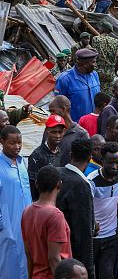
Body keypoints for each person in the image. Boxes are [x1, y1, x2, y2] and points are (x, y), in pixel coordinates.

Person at [21, 165, 71, 279]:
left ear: (36, 184)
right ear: (59, 184)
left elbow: (28, 254)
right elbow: (54, 258)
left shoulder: (27, 212)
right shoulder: (55, 215)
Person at [56, 139, 95, 277]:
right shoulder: (81, 185)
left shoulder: (56, 173)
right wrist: (89, 271)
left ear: (71, 154)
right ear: (90, 157)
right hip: (72, 257)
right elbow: (84, 232)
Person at [87, 141, 118, 278]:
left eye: (117, 162)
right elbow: (87, 206)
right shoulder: (92, 181)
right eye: (110, 162)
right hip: (93, 238)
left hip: (111, 236)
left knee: (107, 274)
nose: (114, 166)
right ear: (102, 160)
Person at [1, 125, 32, 278]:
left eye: (19, 142)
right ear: (2, 142)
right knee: (8, 263)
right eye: (12, 143)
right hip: (8, 224)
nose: (17, 147)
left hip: (26, 223)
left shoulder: (22, 163)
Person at [55, 49, 101, 123]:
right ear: (85, 64)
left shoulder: (94, 75)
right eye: (94, 62)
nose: (95, 65)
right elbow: (58, 107)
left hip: (95, 124)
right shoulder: (65, 79)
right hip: (76, 128)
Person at [28, 115, 66, 200]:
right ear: (47, 132)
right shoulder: (37, 155)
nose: (57, 135)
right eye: (54, 132)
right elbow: (32, 185)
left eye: (60, 132)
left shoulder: (59, 152)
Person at [46, 96, 89, 168]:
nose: (51, 115)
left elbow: (85, 160)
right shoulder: (49, 130)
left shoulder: (81, 134)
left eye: (53, 111)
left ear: (63, 109)